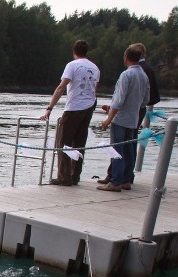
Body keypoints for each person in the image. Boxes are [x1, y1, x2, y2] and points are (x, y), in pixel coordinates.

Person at [97, 42, 160, 185]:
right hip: (133, 118)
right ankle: (127, 179)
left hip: (121, 119)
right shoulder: (143, 75)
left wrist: (108, 119)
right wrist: (134, 107)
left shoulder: (126, 75)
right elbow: (146, 100)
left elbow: (118, 101)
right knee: (129, 149)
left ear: (126, 57)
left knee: (117, 148)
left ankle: (115, 181)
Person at [40, 40, 100, 186]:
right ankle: (75, 176)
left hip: (74, 107)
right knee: (80, 143)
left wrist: (49, 108)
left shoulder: (72, 65)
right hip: (89, 107)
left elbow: (61, 87)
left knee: (63, 142)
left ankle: (64, 177)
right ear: (86, 52)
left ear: (74, 52)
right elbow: (94, 89)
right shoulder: (95, 68)